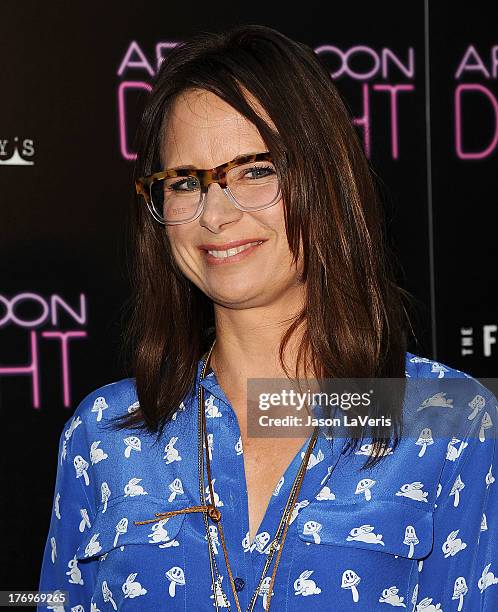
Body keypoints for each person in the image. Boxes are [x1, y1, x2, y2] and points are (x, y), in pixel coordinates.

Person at [38, 24, 497, 611]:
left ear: (324, 181)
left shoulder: (446, 418)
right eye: (185, 182)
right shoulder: (103, 432)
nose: (215, 215)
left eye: (255, 170)